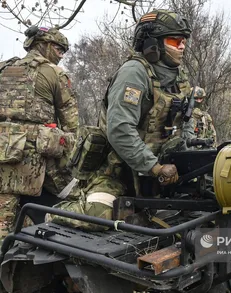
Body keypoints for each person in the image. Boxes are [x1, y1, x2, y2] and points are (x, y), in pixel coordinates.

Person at [48, 9, 196, 230]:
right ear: (153, 44)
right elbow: (120, 130)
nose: (182, 46)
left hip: (156, 175)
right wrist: (155, 168)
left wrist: (187, 156)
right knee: (99, 216)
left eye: (183, 41)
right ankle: (49, 216)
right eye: (175, 40)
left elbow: (186, 121)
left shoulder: (178, 77)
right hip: (115, 172)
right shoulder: (134, 73)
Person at [0, 26, 79, 240]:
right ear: (42, 45)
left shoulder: (3, 68)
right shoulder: (55, 73)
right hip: (37, 160)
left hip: (3, 155)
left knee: (3, 220)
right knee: (73, 203)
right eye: (58, 49)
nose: (61, 55)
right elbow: (72, 124)